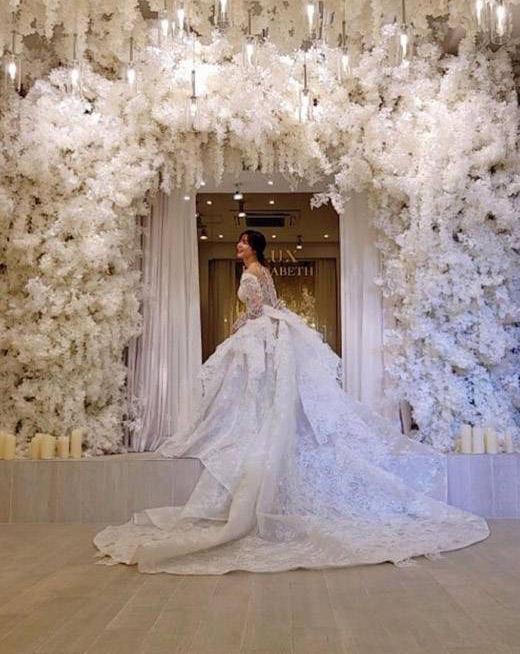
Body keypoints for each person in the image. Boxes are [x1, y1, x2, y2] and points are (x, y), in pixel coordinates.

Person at [94, 229, 489, 574]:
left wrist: (240, 328)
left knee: (248, 386)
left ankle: (245, 427)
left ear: (253, 248)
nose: (238, 246)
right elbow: (274, 303)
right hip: (273, 330)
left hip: (260, 331)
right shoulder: (263, 271)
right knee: (260, 387)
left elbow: (255, 310)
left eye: (243, 243)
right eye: (239, 242)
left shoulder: (250, 273)